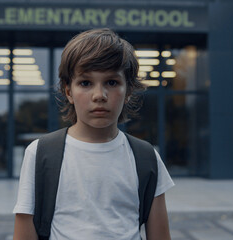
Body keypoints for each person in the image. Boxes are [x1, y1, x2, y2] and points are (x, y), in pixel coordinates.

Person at [13, 28, 175, 240]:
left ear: (128, 91)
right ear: (68, 91)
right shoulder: (40, 153)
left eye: (112, 82)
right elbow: (24, 230)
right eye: (86, 83)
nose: (100, 95)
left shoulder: (146, 157)